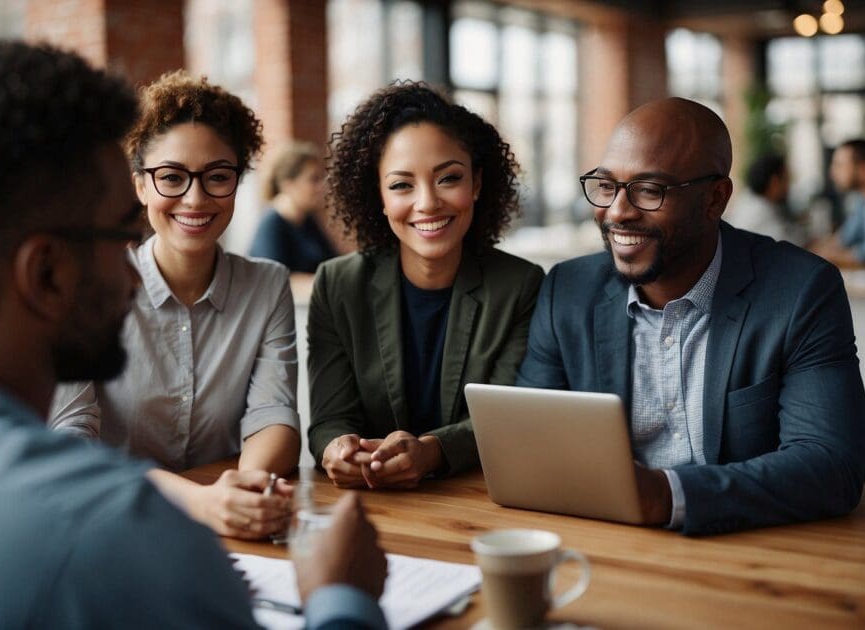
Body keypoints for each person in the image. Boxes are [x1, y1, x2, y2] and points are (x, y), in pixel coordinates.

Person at [0, 41, 387, 629]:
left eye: (217, 177)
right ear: (47, 272)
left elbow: (274, 415)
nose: (130, 271)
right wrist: (342, 597)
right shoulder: (130, 532)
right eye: (117, 233)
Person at [517, 97, 865, 536]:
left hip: (752, 550)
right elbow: (530, 446)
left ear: (715, 198)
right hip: (604, 543)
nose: (618, 212)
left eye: (649, 190)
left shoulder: (799, 290)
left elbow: (830, 465)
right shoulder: (566, 292)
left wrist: (665, 495)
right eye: (607, 186)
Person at [48, 70, 301, 540]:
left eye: (218, 177)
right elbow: (72, 441)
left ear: (237, 182)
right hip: (112, 523)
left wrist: (243, 487)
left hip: (230, 526)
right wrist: (199, 501)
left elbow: (275, 415)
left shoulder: (267, 284)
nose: (196, 198)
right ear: (140, 186)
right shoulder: (88, 289)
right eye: (171, 177)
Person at [308, 82, 544, 489]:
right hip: (368, 502)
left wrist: (434, 450)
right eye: (402, 185)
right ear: (379, 196)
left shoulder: (520, 286)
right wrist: (336, 449)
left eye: (448, 178)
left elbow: (510, 418)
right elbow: (329, 420)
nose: (428, 203)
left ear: (477, 184)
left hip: (479, 501)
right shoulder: (337, 285)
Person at [249, 141, 337, 289]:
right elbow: (274, 280)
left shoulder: (308, 221)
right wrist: (325, 283)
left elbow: (333, 264)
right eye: (313, 179)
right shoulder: (271, 224)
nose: (322, 187)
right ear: (288, 185)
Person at [813, 139, 865, 266]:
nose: (832, 172)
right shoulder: (863, 201)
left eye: (839, 165)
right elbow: (845, 236)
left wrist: (829, 255)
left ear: (863, 170)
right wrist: (817, 252)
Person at [725, 152, 805, 245]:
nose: (788, 186)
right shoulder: (759, 212)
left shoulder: (750, 200)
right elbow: (789, 248)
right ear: (774, 182)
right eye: (786, 179)